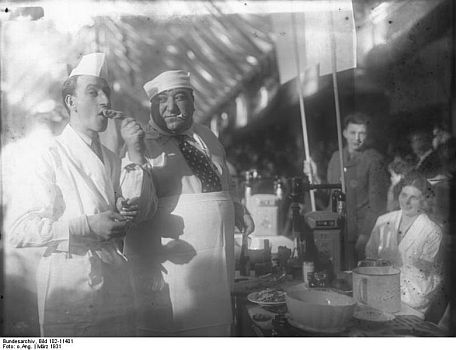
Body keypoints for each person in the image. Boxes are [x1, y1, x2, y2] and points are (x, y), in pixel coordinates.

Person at [3, 53, 156, 336]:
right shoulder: (47, 154)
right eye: (93, 92)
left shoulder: (111, 158)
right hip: (69, 285)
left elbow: (143, 212)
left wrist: (134, 152)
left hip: (116, 286)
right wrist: (87, 225)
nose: (105, 101)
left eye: (106, 93)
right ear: (71, 102)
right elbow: (19, 230)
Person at [124, 70, 254, 336]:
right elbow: (132, 207)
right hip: (171, 275)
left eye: (180, 98)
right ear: (152, 106)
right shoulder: (140, 145)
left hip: (215, 272)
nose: (171, 108)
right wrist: (135, 154)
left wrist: (236, 206)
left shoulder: (208, 138)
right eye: (162, 100)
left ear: (194, 102)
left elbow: (223, 184)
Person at [365, 171, 443, 317]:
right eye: (404, 195)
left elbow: (424, 285)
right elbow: (370, 260)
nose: (406, 202)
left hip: (411, 306)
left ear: (424, 200)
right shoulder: (383, 221)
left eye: (413, 198)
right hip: (377, 297)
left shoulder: (432, 232)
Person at [326, 112, 389, 268]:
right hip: (336, 231)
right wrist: (313, 178)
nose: (357, 138)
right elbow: (330, 194)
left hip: (359, 234)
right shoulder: (336, 157)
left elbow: (377, 204)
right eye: (353, 133)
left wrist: (365, 235)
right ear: (345, 133)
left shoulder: (373, 160)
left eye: (362, 133)